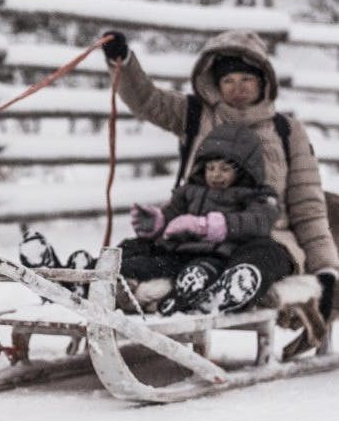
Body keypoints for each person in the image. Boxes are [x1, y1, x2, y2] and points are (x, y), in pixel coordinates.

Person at [102, 29, 338, 322]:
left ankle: (232, 288)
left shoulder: (286, 132)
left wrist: (326, 270)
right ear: (215, 83)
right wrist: (123, 62)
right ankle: (93, 276)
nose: (237, 87)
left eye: (246, 79)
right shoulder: (197, 115)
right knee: (138, 250)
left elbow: (309, 210)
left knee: (263, 256)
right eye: (228, 80)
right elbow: (148, 101)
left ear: (264, 80)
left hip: (265, 238)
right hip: (196, 239)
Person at [123, 122, 285, 315]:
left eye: (224, 169)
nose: (215, 175)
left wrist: (207, 226)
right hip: (178, 254)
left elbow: (259, 220)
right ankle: (98, 272)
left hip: (218, 256)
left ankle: (194, 295)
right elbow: (172, 214)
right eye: (210, 168)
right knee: (139, 254)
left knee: (202, 271)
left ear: (243, 171)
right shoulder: (189, 192)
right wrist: (157, 222)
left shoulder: (256, 196)